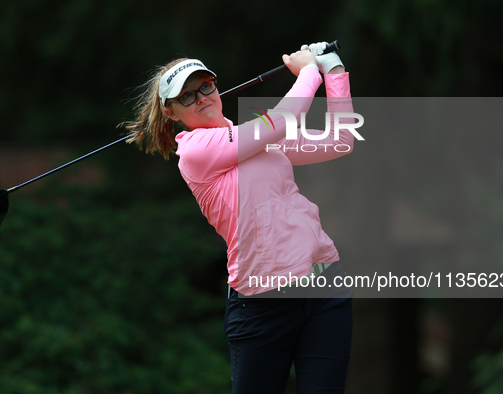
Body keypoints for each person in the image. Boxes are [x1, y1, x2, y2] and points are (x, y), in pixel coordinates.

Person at [124, 42, 355, 393]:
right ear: (171, 113)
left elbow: (340, 141)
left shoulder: (257, 138)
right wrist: (309, 71)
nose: (201, 97)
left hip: (324, 284)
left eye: (205, 85)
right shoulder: (196, 152)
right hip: (263, 302)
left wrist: (334, 70)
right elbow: (280, 121)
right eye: (186, 96)